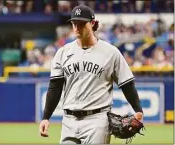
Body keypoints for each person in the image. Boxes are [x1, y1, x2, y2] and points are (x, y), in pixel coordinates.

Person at [39, 5, 144, 144]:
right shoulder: (62, 53)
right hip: (68, 120)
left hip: (97, 120)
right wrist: (46, 117)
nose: (77, 27)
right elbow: (55, 87)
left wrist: (138, 110)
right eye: (74, 23)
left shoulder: (111, 52)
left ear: (93, 23)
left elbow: (127, 84)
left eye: (82, 23)